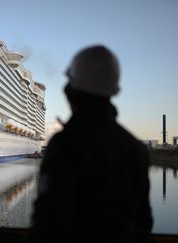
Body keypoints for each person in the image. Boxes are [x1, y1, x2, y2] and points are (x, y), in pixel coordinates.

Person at [30, 45, 153, 242]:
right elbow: (144, 223)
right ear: (112, 91)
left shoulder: (65, 144)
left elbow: (48, 221)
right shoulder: (136, 149)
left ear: (71, 91)